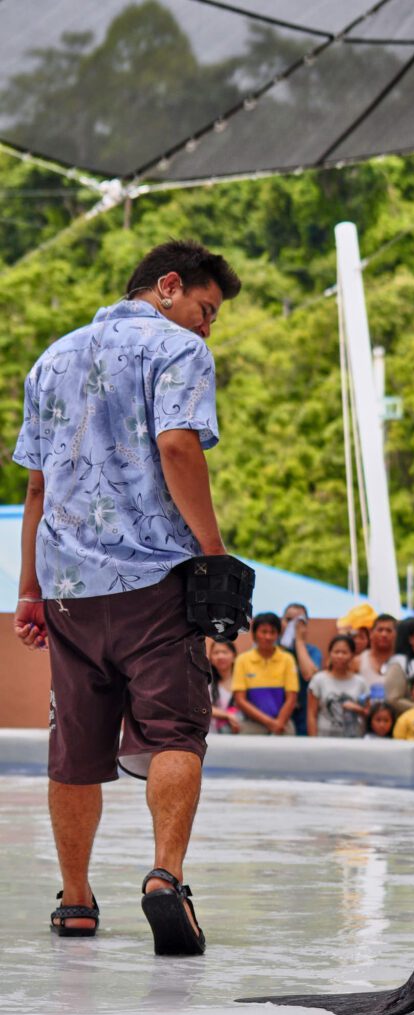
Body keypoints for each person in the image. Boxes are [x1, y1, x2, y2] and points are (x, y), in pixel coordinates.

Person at [13, 239, 241, 954]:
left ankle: (76, 901)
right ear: (168, 287)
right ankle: (165, 878)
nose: (207, 327)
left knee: (73, 748)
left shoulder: (52, 357)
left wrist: (28, 588)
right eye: (205, 310)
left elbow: (37, 484)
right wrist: (212, 552)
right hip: (155, 581)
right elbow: (178, 446)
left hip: (69, 590)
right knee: (177, 733)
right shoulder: (175, 349)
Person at [232, 612, 299, 735]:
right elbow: (240, 700)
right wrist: (269, 722)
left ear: (278, 635)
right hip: (251, 724)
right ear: (254, 634)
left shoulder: (287, 659)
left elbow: (292, 698)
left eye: (272, 632)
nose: (268, 636)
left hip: (282, 723)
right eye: (264, 632)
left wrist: (279, 723)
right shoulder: (242, 660)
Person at [307, 635, 369, 738]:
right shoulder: (318, 680)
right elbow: (311, 714)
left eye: (344, 652)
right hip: (324, 738)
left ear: (352, 655)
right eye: (336, 652)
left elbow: (368, 713)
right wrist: (313, 740)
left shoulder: (360, 682)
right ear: (330, 653)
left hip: (353, 738)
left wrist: (358, 709)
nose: (340, 656)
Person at [279, 602, 321, 736]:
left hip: (304, 715)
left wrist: (299, 641)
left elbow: (309, 674)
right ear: (281, 622)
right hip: (278, 714)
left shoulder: (312, 651)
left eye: (299, 621)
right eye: (289, 620)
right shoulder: (271, 648)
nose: (293, 625)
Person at [358, 613, 397, 694]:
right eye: (380, 630)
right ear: (371, 633)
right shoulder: (358, 661)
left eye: (389, 630)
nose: (384, 634)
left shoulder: (403, 662)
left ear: (397, 634)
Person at [209, 641, 241, 734]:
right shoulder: (206, 682)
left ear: (234, 655)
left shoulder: (243, 681)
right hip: (213, 736)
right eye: (216, 653)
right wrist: (228, 715)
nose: (220, 656)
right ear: (210, 657)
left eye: (225, 652)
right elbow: (204, 707)